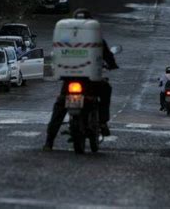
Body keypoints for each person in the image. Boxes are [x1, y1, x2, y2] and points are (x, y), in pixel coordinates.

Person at [43, 8, 119, 151]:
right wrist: (113, 65)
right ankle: (102, 122)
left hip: (68, 81)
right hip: (91, 83)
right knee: (106, 90)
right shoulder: (96, 38)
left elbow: (55, 56)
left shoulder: (65, 37)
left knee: (59, 107)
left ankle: (49, 141)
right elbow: (108, 55)